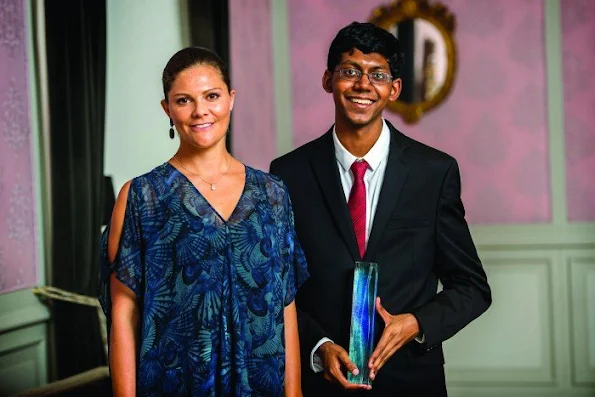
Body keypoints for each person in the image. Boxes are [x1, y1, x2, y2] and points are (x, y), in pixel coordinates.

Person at [270, 22, 491, 396]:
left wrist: (416, 323)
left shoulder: (433, 172)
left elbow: (471, 287)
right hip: (321, 382)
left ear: (394, 89)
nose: (362, 85)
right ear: (328, 80)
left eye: (377, 75)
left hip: (410, 380)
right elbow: (277, 289)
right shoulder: (287, 174)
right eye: (350, 71)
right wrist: (319, 348)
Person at [99, 47, 308, 397]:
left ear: (231, 99)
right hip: (176, 385)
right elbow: (123, 314)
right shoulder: (142, 196)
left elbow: (284, 304)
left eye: (212, 96)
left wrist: (295, 392)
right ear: (167, 109)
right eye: (184, 100)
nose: (200, 111)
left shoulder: (273, 194)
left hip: (260, 386)